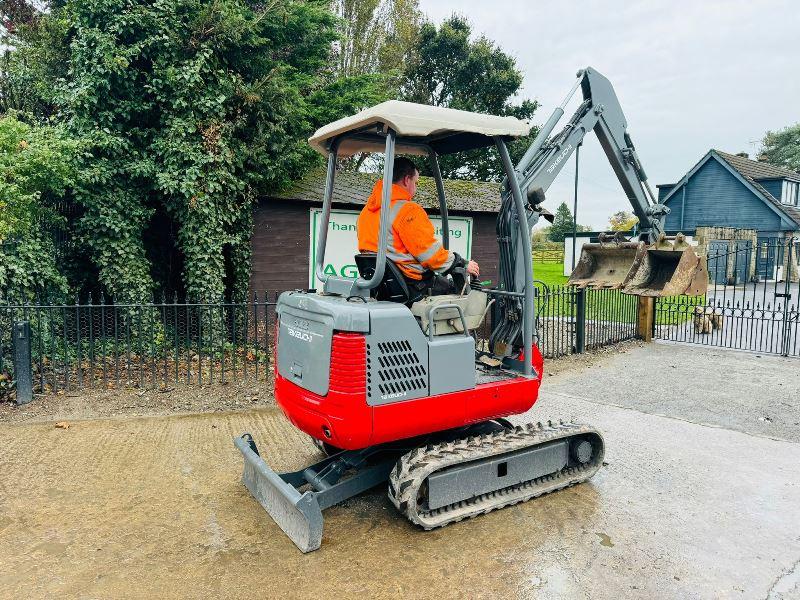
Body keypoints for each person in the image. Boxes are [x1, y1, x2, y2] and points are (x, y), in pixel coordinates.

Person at [357, 157, 480, 296]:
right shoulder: (407, 211)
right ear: (406, 180)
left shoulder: (366, 212)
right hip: (413, 287)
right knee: (465, 298)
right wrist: (461, 264)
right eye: (416, 183)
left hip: (382, 288)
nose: (415, 189)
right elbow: (430, 255)